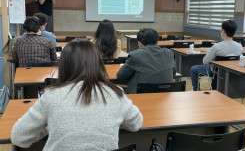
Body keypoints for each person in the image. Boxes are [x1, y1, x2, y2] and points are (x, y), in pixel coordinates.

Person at [11, 39, 143, 150]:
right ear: (97, 63)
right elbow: (136, 124)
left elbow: (18, 137)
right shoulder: (115, 93)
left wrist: (49, 125)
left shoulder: (51, 96)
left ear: (64, 65)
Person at [117, 28, 176, 93]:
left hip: (141, 96)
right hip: (165, 95)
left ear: (139, 43)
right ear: (157, 41)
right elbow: (173, 73)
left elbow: (121, 76)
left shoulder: (135, 55)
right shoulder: (169, 53)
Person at [190, 20, 243, 91]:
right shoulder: (239, 46)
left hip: (216, 71)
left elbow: (205, 61)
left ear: (223, 31)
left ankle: (196, 91)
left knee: (193, 69)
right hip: (232, 72)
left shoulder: (217, 46)